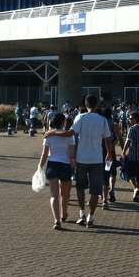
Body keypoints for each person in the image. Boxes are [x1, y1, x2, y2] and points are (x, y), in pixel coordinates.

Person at [46, 95, 112, 227]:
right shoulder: (103, 120)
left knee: (80, 187)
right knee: (95, 190)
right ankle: (91, 217)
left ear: (85, 105)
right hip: (97, 158)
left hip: (81, 158)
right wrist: (109, 153)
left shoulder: (80, 117)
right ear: (97, 105)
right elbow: (107, 138)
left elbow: (69, 133)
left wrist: (53, 132)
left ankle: (81, 213)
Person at [37, 113, 76, 229]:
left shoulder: (48, 135)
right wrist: (73, 166)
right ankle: (64, 214)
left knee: (54, 195)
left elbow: (44, 154)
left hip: (52, 165)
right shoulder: (69, 136)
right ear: (63, 122)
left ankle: (56, 220)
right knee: (64, 194)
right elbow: (72, 154)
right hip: (65, 165)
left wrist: (40, 166)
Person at [121, 111, 139, 202]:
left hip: (133, 157)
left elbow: (128, 141)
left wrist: (124, 151)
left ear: (135, 119)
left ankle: (135, 189)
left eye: (131, 118)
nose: (129, 120)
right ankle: (138, 195)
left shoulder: (132, 129)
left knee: (129, 174)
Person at [101, 107, 120, 207]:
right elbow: (117, 138)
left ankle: (103, 195)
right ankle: (112, 189)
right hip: (111, 152)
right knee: (112, 172)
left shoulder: (101, 123)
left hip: (102, 151)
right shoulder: (113, 124)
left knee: (103, 173)